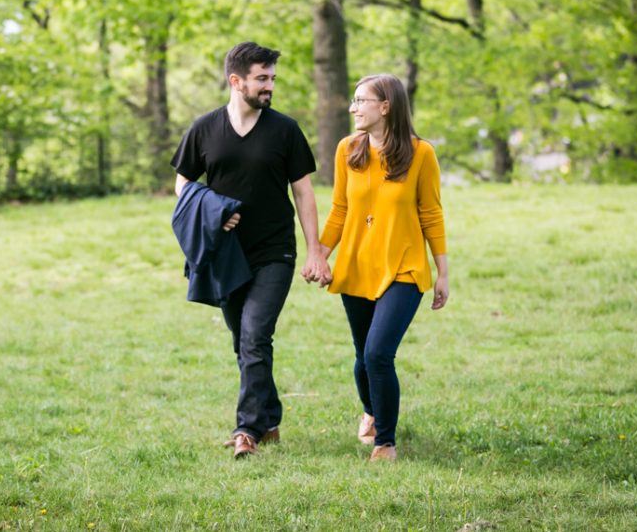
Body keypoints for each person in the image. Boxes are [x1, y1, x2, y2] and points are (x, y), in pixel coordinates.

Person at [171, 41, 331, 459]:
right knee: (243, 343)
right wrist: (213, 211)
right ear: (235, 80)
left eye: (272, 78)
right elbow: (183, 184)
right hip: (223, 256)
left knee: (255, 336)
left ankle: (247, 430)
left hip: (274, 252)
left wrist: (316, 251)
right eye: (262, 78)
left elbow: (304, 194)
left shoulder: (285, 130)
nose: (269, 86)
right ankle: (270, 417)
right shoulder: (204, 129)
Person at [310, 74, 449, 462]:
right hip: (356, 265)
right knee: (362, 357)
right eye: (354, 101)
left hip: (404, 268)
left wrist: (443, 271)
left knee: (377, 354)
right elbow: (340, 209)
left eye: (361, 100)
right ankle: (372, 410)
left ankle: (385, 442)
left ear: (385, 106)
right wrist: (319, 254)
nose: (354, 108)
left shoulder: (421, 154)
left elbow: (431, 213)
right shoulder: (346, 149)